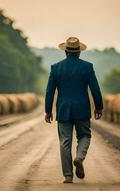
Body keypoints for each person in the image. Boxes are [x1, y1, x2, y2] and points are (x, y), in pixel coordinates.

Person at [45, 37, 103, 183]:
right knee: (85, 135)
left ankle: (68, 176)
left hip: (64, 110)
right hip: (82, 109)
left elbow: (49, 92)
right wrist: (99, 107)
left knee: (65, 142)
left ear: (65, 51)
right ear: (79, 52)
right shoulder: (87, 67)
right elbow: (95, 89)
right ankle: (79, 157)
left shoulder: (55, 68)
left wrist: (48, 111)